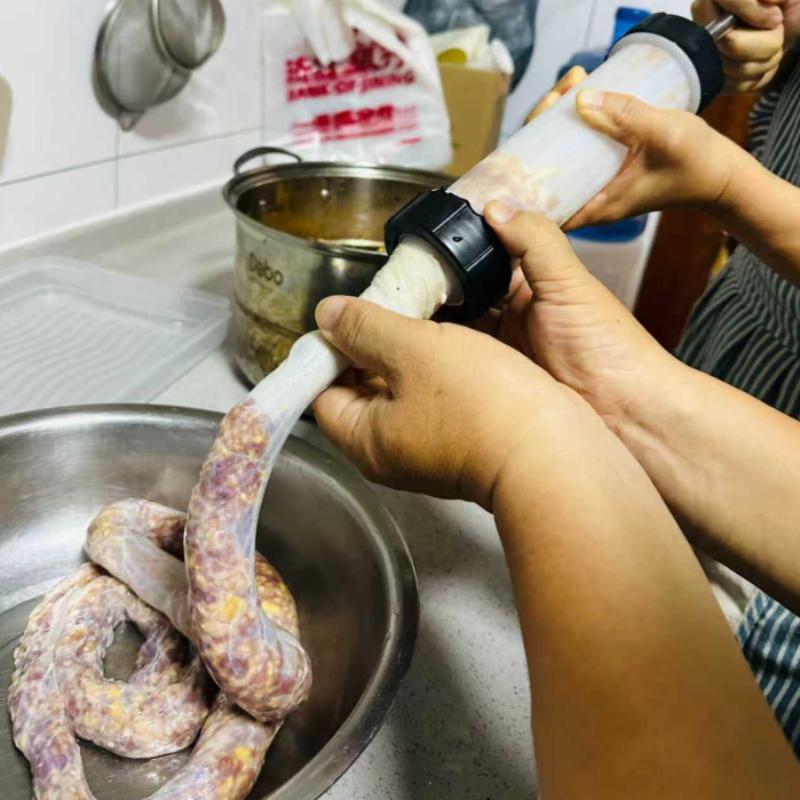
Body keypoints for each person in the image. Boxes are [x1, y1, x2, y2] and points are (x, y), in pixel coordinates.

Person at [527, 0, 800, 755]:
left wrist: (730, 189)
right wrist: (762, 39)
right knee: (646, 579)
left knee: (720, 701)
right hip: (737, 341)